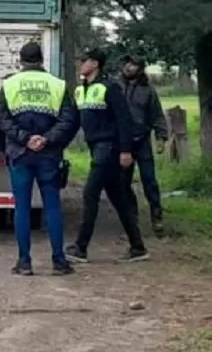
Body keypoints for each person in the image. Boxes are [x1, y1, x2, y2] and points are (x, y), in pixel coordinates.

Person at [0, 42, 79, 276]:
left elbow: (2, 119)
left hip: (20, 154)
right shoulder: (58, 85)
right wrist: (46, 139)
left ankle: (24, 262)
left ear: (21, 60)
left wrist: (25, 138)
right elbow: (67, 120)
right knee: (52, 206)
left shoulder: (9, 84)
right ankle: (59, 262)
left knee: (22, 207)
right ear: (41, 59)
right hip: (48, 155)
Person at [65, 49, 150, 264]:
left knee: (90, 193)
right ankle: (138, 247)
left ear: (95, 64)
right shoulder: (80, 91)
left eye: (83, 61)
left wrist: (125, 150)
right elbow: (73, 123)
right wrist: (56, 143)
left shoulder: (109, 87)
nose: (80, 64)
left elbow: (124, 120)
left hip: (109, 147)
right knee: (119, 198)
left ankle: (81, 247)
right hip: (96, 146)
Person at [118, 54, 168, 236]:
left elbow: (157, 115)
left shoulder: (148, 91)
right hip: (123, 142)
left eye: (134, 65)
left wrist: (161, 137)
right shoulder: (116, 87)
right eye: (128, 63)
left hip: (142, 141)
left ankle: (157, 215)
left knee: (149, 180)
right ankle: (132, 221)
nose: (129, 67)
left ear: (140, 69)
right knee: (123, 183)